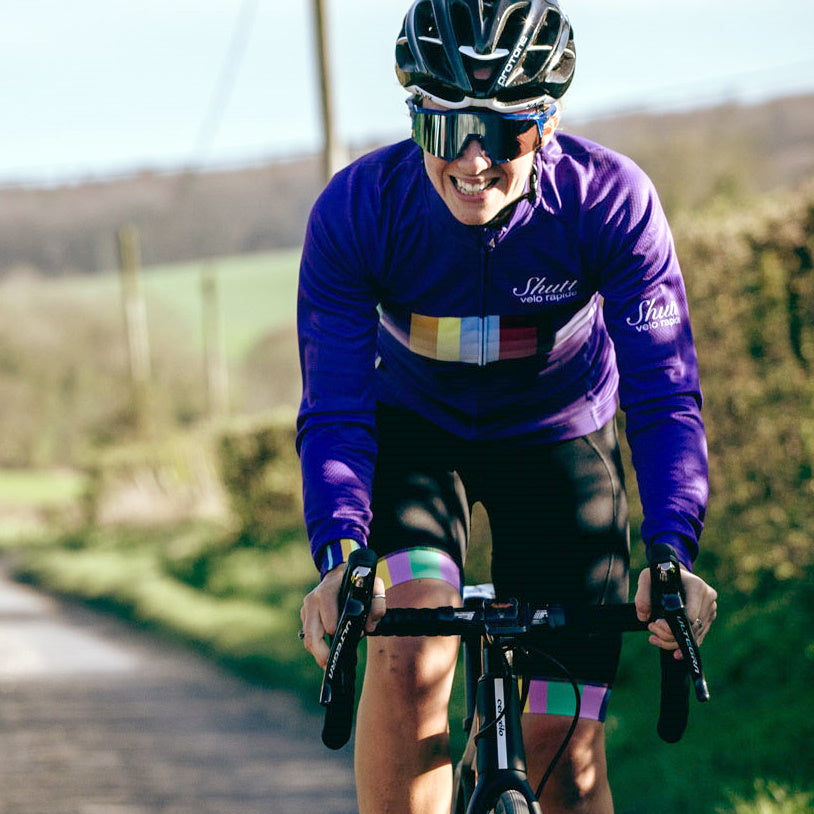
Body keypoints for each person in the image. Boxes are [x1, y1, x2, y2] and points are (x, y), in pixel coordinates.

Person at [297, 1, 718, 812]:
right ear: (414, 120)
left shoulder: (608, 203)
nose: (475, 158)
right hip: (417, 439)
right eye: (448, 127)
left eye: (506, 128)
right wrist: (341, 554)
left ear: (548, 123)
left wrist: (672, 550)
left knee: (565, 749)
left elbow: (664, 391)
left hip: (561, 441)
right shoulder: (358, 211)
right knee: (411, 649)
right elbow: (336, 408)